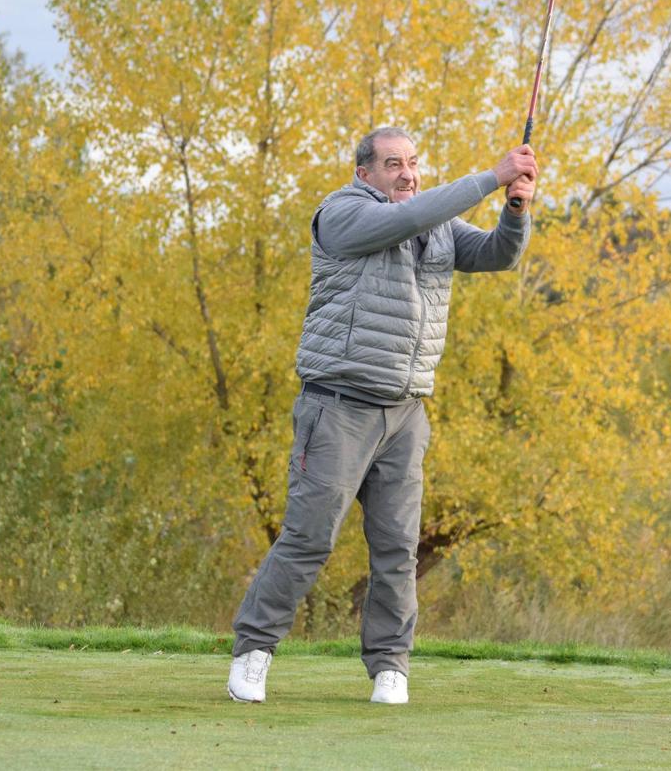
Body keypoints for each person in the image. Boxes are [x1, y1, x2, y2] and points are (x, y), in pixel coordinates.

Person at [227, 127, 538, 705]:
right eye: (393, 163)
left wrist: (515, 206)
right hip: (338, 406)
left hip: (405, 413)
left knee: (398, 548)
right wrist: (491, 176)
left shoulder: (437, 224)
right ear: (364, 173)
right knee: (309, 537)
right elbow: (404, 219)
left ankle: (390, 664)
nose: (408, 173)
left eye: (414, 162)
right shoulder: (342, 213)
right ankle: (254, 650)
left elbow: (498, 255)